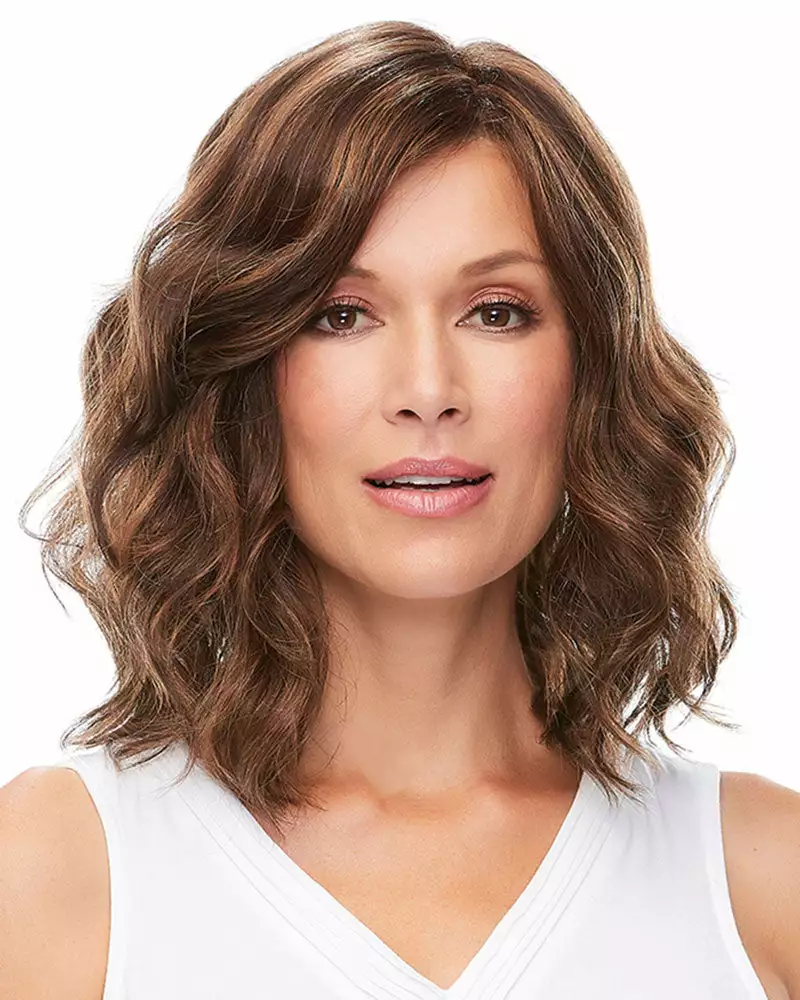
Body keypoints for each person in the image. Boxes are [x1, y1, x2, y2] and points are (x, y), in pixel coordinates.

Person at [2, 19, 798, 1000]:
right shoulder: (53, 879)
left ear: (588, 370)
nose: (427, 389)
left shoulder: (765, 886)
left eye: (497, 311)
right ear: (245, 371)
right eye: (341, 315)